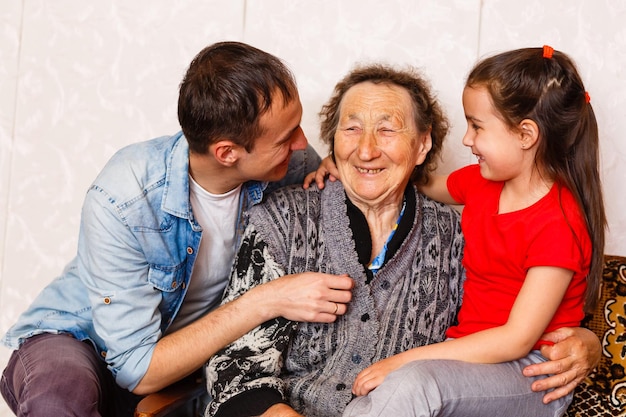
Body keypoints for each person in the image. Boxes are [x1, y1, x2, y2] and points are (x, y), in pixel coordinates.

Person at [204, 63, 599, 417]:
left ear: (422, 145)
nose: (366, 148)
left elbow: (514, 326)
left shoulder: (454, 236)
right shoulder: (285, 219)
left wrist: (586, 339)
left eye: (388, 130)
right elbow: (235, 371)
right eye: (352, 129)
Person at [0, 41, 355, 417]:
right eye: (287, 138)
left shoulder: (291, 163)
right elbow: (138, 369)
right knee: (59, 399)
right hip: (82, 338)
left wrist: (340, 171)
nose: (303, 143)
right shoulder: (122, 198)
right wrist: (268, 298)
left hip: (182, 361)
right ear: (227, 152)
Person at [342, 46, 606, 417]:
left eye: (477, 126)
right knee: (377, 397)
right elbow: (416, 180)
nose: (466, 140)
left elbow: (516, 339)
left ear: (525, 134)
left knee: (413, 383)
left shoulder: (558, 222)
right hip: (472, 359)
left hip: (533, 372)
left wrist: (403, 360)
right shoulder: (481, 184)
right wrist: (347, 163)